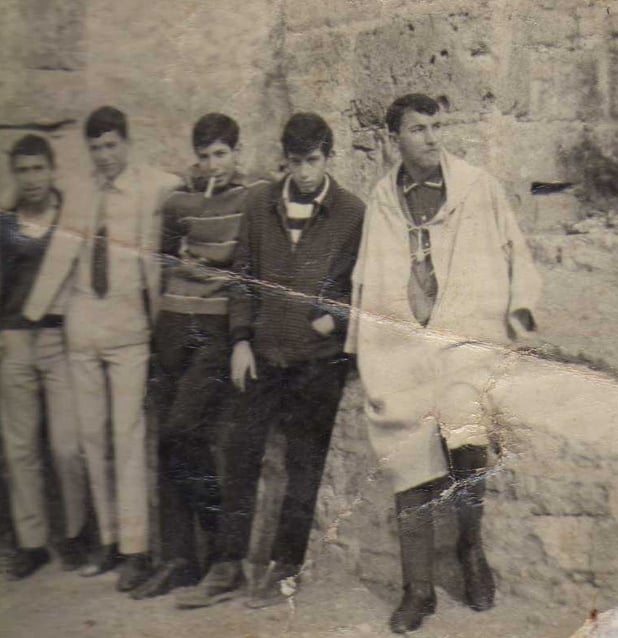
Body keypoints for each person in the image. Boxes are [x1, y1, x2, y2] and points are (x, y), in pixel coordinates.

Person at [345, 94, 542, 633]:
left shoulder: (476, 187)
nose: (431, 137)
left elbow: (514, 249)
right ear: (394, 139)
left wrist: (520, 308)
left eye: (436, 126)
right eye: (418, 129)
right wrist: (362, 347)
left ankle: (471, 552)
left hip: (464, 335)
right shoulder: (383, 199)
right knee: (406, 451)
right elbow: (367, 276)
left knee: (466, 440)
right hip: (403, 343)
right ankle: (418, 588)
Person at [175, 112, 365, 609]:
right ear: (285, 159)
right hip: (263, 354)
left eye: (313, 161)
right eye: (296, 162)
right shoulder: (261, 203)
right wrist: (241, 339)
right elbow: (243, 276)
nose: (304, 173)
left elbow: (361, 284)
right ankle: (226, 565)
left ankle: (285, 567)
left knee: (304, 465)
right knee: (240, 456)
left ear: (329, 157)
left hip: (318, 362)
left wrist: (330, 321)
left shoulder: (352, 212)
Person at [23, 106, 180, 591]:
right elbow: (60, 255)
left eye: (112, 145)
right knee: (92, 439)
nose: (104, 155)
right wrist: (32, 314)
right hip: (83, 330)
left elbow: (180, 186)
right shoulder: (80, 191)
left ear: (126, 143)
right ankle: (108, 540)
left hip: (129, 330)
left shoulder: (150, 186)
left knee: (127, 438)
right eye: (96, 147)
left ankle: (135, 549)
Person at [130, 113, 268, 600]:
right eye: (205, 156)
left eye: (221, 154)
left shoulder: (253, 196)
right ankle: (178, 559)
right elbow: (165, 260)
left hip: (215, 326)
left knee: (183, 430)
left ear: (236, 152)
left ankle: (222, 544)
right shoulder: (177, 201)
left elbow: (253, 265)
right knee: (165, 440)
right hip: (172, 321)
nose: (213, 165)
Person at [0, 134, 87, 579]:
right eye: (23, 170)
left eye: (38, 168)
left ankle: (76, 533)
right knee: (20, 448)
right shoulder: (4, 223)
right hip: (13, 338)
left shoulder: (71, 215)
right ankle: (32, 543)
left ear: (52, 170)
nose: (32, 178)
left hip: (58, 338)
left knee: (67, 445)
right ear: (13, 175)